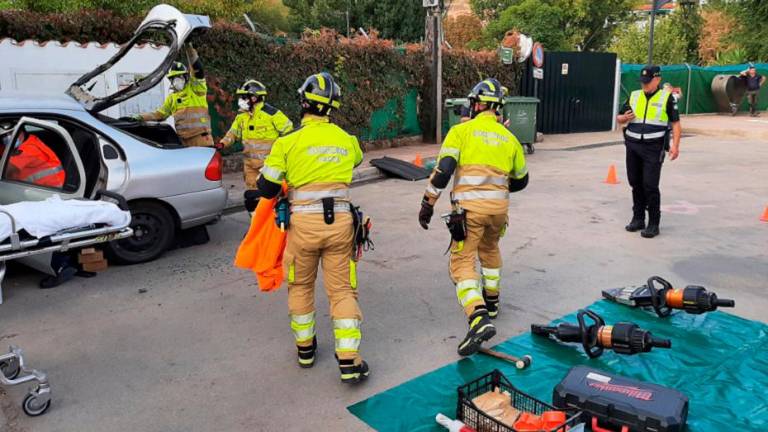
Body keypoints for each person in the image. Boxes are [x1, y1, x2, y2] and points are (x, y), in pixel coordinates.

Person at [256, 72, 369, 384]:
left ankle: (305, 350)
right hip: (342, 225)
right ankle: (349, 360)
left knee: (301, 287)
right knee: (342, 290)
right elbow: (356, 161)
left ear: (303, 102)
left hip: (302, 227)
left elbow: (266, 187)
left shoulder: (287, 143)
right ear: (331, 107)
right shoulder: (348, 141)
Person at [418, 78, 529, 357]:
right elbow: (522, 180)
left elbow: (443, 171)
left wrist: (427, 203)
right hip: (498, 212)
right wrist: (498, 188)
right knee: (490, 251)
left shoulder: (461, 132)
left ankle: (478, 317)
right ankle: (492, 303)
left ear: (477, 104)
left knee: (462, 261)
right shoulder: (510, 138)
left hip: (469, 211)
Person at [617, 65, 681, 239]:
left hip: (654, 147)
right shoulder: (634, 96)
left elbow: (675, 123)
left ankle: (654, 223)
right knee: (635, 183)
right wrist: (624, 118)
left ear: (657, 79)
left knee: (650, 185)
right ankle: (638, 219)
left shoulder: (666, 97)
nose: (644, 85)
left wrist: (675, 145)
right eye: (642, 82)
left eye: (648, 82)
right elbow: (619, 117)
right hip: (633, 145)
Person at [218, 80, 293, 212]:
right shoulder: (242, 116)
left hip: (269, 167)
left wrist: (284, 154)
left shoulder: (272, 114)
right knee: (252, 201)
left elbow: (290, 132)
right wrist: (223, 143)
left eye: (244, 97)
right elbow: (233, 133)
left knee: (270, 198)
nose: (241, 100)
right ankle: (256, 227)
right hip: (250, 167)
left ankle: (271, 227)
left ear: (254, 97)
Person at [132, 45, 213, 147]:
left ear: (186, 77)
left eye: (179, 77)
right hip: (183, 142)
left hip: (202, 140)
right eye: (173, 78)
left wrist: (189, 48)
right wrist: (140, 117)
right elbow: (159, 115)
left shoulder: (196, 90)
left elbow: (198, 70)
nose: (176, 81)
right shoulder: (172, 98)